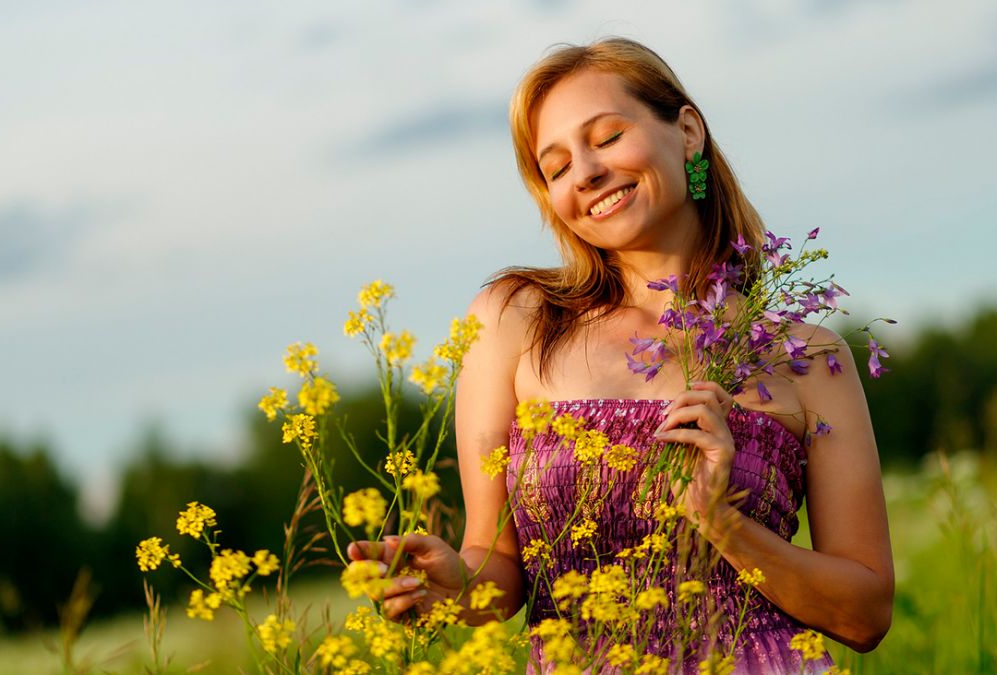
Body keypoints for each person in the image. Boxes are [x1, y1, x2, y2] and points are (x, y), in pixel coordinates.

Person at [348, 37, 893, 673]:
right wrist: (453, 588)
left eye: (606, 137)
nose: (585, 172)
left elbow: (864, 616)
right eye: (555, 168)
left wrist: (723, 523)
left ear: (688, 131)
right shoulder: (516, 321)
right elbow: (496, 564)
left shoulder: (807, 357)